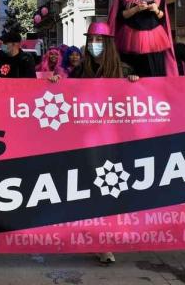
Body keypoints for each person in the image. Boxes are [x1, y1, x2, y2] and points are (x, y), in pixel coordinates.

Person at [49, 21, 138, 265]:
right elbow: (67, 94)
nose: (94, 45)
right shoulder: (80, 72)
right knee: (90, 190)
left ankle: (106, 243)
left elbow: (143, 99)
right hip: (86, 142)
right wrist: (58, 81)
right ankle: (94, 239)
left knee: (110, 189)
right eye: (91, 41)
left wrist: (135, 83)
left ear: (108, 44)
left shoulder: (124, 70)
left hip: (114, 142)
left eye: (98, 41)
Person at [109, 0, 178, 77]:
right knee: (131, 75)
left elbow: (162, 17)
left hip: (155, 38)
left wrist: (156, 9)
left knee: (155, 75)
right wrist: (136, 9)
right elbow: (119, 17)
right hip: (130, 38)